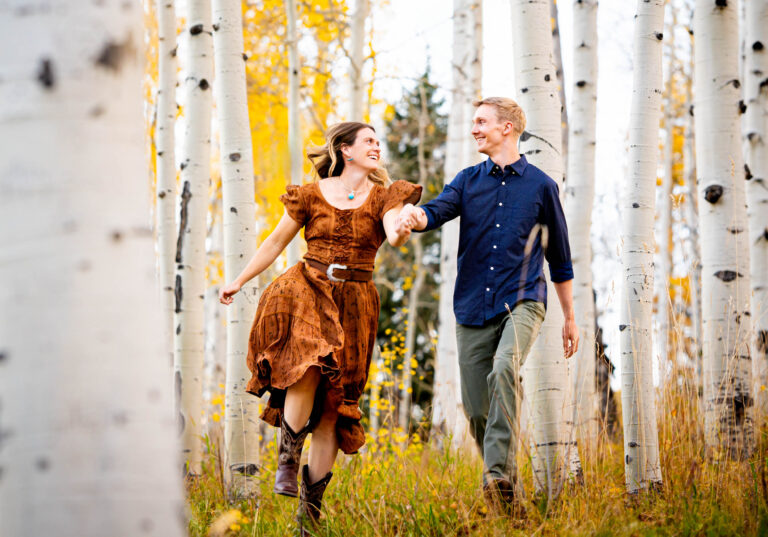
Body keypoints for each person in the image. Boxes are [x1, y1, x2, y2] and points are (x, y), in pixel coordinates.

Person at [219, 121, 420, 532]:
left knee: (333, 411)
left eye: (378, 142)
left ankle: (309, 516)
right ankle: (288, 460)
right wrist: (238, 279)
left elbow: (393, 234)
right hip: (309, 288)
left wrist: (402, 227)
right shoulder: (311, 195)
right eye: (368, 141)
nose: (376, 147)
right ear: (345, 150)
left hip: (356, 302)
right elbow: (275, 242)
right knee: (306, 365)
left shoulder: (386, 197)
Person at [397, 96, 579, 509]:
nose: (475, 128)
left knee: (504, 369)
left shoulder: (542, 187)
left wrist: (569, 317)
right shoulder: (467, 180)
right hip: (472, 307)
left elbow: (560, 259)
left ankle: (495, 475)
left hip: (523, 301)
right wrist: (413, 216)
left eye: (482, 122)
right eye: (474, 122)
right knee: (477, 409)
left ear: (507, 128)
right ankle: (507, 494)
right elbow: (436, 212)